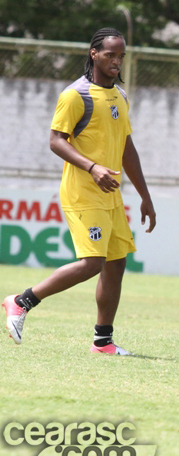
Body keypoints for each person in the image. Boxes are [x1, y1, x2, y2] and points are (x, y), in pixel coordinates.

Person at [3, 27, 156, 355]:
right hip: (82, 192)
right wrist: (92, 167)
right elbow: (56, 140)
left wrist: (145, 196)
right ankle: (21, 301)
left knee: (116, 263)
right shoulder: (76, 95)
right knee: (92, 262)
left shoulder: (120, 96)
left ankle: (103, 341)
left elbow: (127, 148)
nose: (117, 62)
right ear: (94, 54)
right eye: (110, 55)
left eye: (121, 56)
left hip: (111, 194)